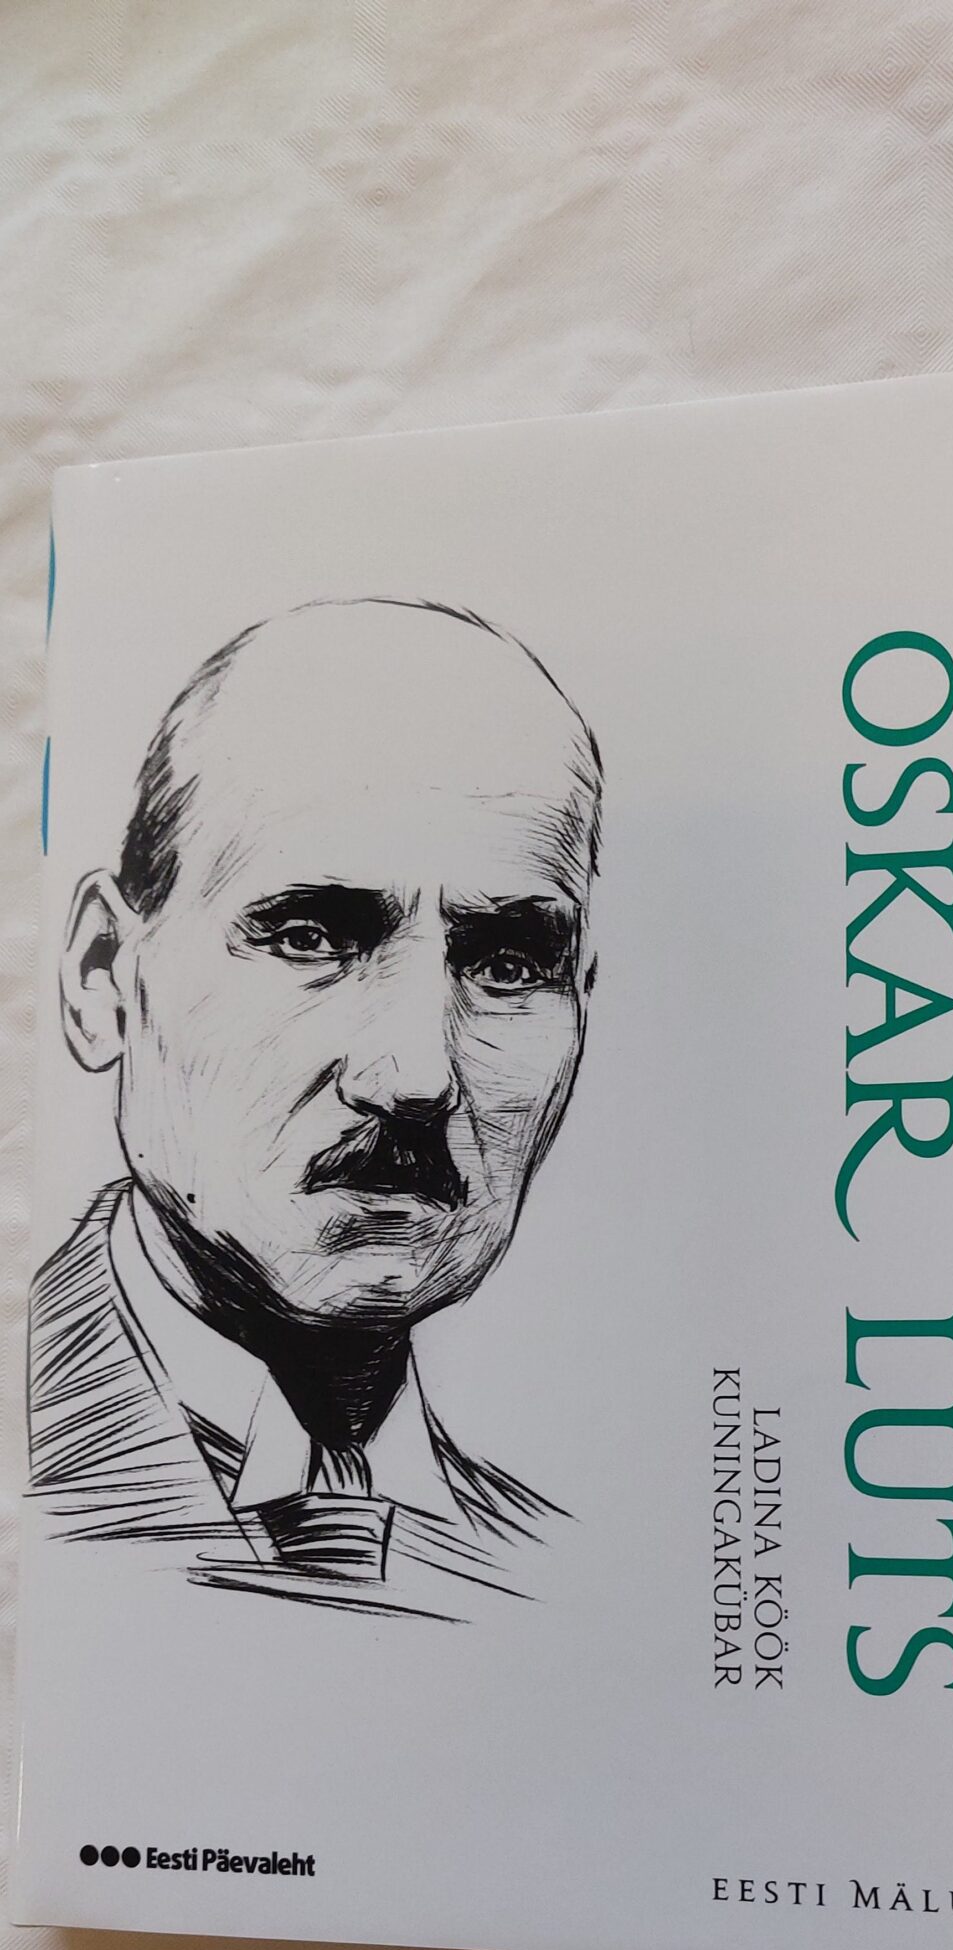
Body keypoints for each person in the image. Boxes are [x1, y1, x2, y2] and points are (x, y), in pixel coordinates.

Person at [28, 598, 601, 1613]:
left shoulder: (555, 1578)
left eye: (509, 964)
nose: (416, 1076)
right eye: (311, 938)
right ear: (103, 976)